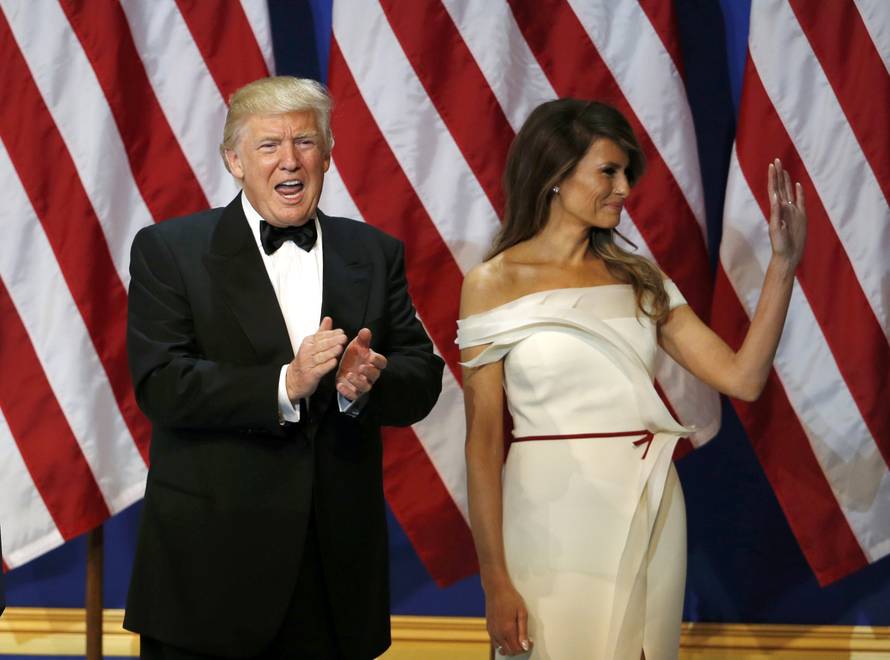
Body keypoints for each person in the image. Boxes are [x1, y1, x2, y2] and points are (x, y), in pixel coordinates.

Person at [458, 99, 806, 659]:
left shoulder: (639, 277)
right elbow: (482, 444)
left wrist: (782, 267)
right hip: (549, 514)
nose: (623, 187)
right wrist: (493, 580)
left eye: (625, 173)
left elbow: (742, 378)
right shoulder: (492, 283)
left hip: (649, 501)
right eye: (608, 171)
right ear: (555, 174)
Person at [124, 76, 444, 660]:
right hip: (211, 576)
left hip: (334, 576)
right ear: (234, 160)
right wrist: (284, 384)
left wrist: (366, 385)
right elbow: (161, 385)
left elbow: (422, 375)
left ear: (327, 154)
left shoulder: (373, 252)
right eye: (269, 145)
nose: (290, 160)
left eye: (305, 142)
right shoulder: (169, 250)